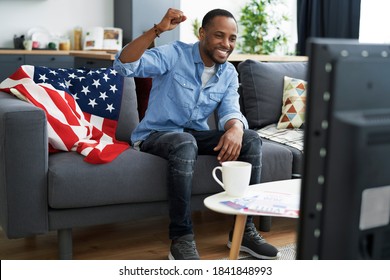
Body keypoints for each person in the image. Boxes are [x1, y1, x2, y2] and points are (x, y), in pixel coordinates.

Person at [114, 8, 279, 260]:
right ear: (202, 33)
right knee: (184, 141)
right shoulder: (174, 54)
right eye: (219, 36)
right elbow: (123, 65)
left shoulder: (228, 74)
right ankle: (181, 238)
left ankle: (243, 230)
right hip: (156, 134)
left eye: (232, 38)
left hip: (192, 136)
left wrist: (235, 128)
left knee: (251, 138)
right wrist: (157, 30)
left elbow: (231, 110)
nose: (226, 44)